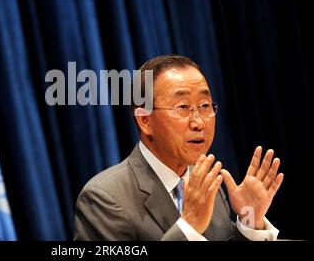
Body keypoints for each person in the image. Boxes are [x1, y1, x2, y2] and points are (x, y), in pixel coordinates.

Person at [74, 54, 284, 241]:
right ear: (145, 120)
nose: (199, 122)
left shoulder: (206, 185)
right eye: (182, 107)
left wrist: (250, 222)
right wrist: (188, 228)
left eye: (204, 106)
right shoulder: (105, 197)